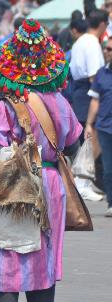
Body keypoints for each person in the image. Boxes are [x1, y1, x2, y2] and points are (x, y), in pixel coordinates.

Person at [0, 19, 82, 302]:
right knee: (45, 252)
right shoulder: (62, 104)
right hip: (51, 182)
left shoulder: (8, 107)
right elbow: (74, 145)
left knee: (8, 248)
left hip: (18, 184)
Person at [70, 9, 108, 201]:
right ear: (102, 24)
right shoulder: (92, 43)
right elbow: (95, 76)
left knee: (89, 138)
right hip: (89, 91)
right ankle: (81, 181)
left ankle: (83, 179)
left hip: (79, 90)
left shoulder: (81, 40)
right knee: (94, 137)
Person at [85, 36, 112, 217]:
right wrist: (89, 124)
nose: (106, 51)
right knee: (108, 167)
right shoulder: (101, 73)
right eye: (106, 48)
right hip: (104, 127)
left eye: (110, 49)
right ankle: (111, 202)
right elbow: (95, 100)